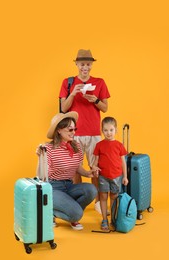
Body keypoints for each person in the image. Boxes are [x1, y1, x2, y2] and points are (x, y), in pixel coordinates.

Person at [59, 49, 110, 214]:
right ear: (76, 64)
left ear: (92, 65)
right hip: (74, 133)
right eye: (82, 64)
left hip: (94, 132)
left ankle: (97, 202)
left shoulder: (100, 82)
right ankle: (79, 200)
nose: (85, 67)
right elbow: (63, 108)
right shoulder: (68, 82)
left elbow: (105, 108)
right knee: (75, 168)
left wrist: (95, 100)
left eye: (88, 64)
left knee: (95, 167)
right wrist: (73, 93)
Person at [36, 112, 97, 230]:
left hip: (69, 185)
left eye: (75, 129)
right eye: (70, 129)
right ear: (59, 130)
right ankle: (52, 212)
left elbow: (77, 167)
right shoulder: (47, 148)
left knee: (91, 190)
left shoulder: (76, 146)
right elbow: (40, 175)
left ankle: (72, 215)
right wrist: (40, 157)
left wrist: (88, 173)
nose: (73, 132)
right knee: (77, 214)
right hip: (53, 187)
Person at [92, 117, 128, 231]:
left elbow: (123, 162)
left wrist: (125, 176)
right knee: (103, 196)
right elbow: (95, 161)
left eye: (111, 130)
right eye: (106, 130)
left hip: (117, 176)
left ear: (116, 130)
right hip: (103, 176)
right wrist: (94, 168)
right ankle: (104, 220)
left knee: (114, 197)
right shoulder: (99, 145)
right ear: (102, 131)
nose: (108, 133)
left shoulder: (119, 145)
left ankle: (113, 219)